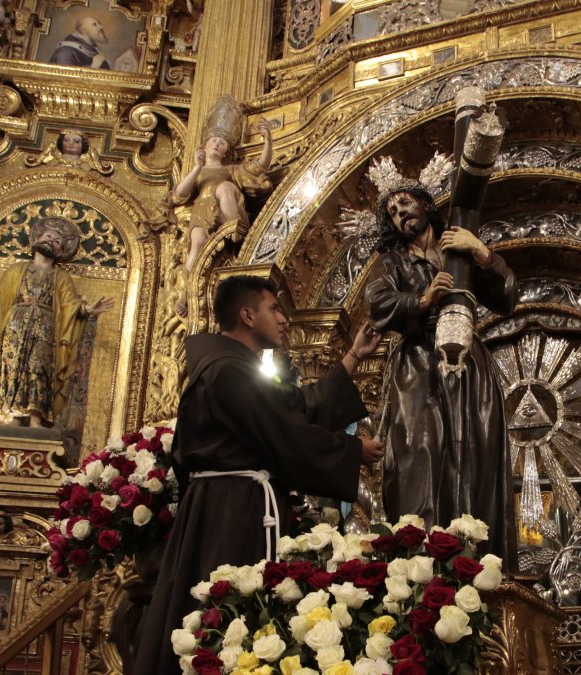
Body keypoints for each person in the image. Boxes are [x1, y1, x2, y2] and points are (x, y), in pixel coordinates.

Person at [135, 275, 384, 675]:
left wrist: (353, 357)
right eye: (275, 309)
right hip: (232, 508)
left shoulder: (235, 367)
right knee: (227, 618)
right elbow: (285, 433)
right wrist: (352, 450)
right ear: (248, 315)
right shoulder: (227, 371)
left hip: (232, 503)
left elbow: (294, 408)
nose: (284, 319)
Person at [365, 185, 518, 559]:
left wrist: (481, 252)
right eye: (392, 211)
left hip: (471, 369)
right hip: (419, 367)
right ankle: (418, 566)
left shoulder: (458, 250)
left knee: (474, 451)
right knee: (419, 452)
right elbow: (377, 302)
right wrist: (422, 300)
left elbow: (508, 297)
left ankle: (476, 557)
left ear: (425, 204)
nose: (400, 212)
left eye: (405, 203)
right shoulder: (393, 261)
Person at [0, 216, 113, 427]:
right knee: (13, 366)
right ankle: (12, 415)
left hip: (45, 328)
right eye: (48, 236)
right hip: (15, 326)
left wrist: (87, 309)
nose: (52, 241)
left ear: (60, 251)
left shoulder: (60, 277)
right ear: (37, 240)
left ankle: (36, 417)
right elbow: (0, 297)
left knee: (39, 367)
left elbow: (70, 303)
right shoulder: (16, 270)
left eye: (57, 241)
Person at [172, 97, 272, 273]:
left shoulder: (231, 170)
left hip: (226, 211)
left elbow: (259, 166)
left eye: (222, 143)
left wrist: (268, 141)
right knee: (197, 244)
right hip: (202, 212)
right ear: (204, 146)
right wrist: (197, 167)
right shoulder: (199, 171)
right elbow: (179, 194)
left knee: (225, 187)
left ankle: (232, 232)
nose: (217, 144)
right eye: (214, 141)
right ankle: (185, 291)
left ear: (226, 151)